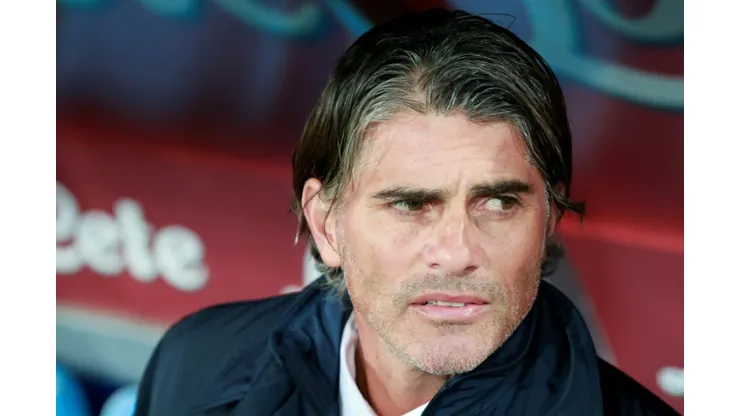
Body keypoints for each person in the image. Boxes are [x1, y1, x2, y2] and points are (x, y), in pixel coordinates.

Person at [133, 9, 679, 416]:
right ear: (326, 225)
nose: (457, 253)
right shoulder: (195, 364)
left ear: (548, 220)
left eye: (498, 202)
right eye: (411, 205)